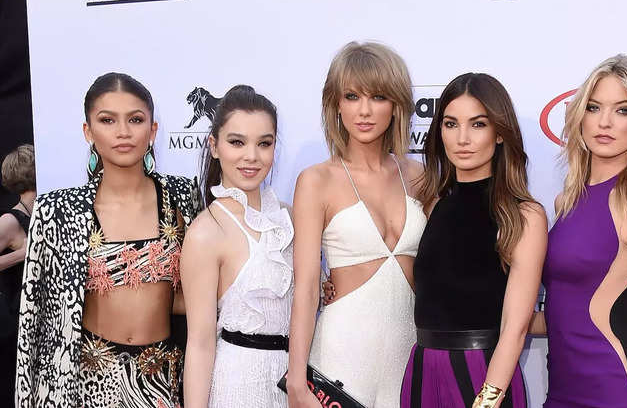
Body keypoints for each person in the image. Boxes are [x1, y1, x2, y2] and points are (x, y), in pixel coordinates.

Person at [15, 72, 201, 408]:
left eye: (135, 119)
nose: (123, 132)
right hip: (86, 383)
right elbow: (37, 320)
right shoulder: (57, 210)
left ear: (153, 130)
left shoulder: (181, 197)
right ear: (88, 131)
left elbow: (196, 296)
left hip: (161, 382)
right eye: (107, 120)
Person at [287, 41, 426, 408]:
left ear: (396, 104)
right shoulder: (316, 180)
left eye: (378, 96)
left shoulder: (419, 177)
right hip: (340, 359)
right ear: (335, 104)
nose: (364, 111)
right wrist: (297, 380)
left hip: (408, 359)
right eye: (351, 96)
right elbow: (305, 287)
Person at [397, 73, 546, 408]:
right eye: (451, 124)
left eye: (477, 124)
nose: (462, 138)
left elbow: (515, 327)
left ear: (499, 134)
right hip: (422, 369)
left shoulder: (523, 215)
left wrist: (486, 400)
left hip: (485, 373)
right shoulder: (433, 204)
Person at [535, 55, 627, 407]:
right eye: (594, 108)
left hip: (613, 390)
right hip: (560, 390)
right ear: (579, 117)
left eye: (623, 110)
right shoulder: (566, 200)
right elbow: (564, 313)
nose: (605, 122)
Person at [181, 85, 293, 408]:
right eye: (237, 142)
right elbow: (200, 343)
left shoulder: (290, 218)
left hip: (293, 383)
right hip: (238, 384)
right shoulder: (205, 232)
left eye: (264, 143)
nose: (251, 156)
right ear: (214, 146)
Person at [0, 144, 35, 407]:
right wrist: (24, 254)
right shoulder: (10, 221)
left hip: (38, 313)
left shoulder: (41, 213)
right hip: (17, 317)